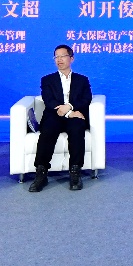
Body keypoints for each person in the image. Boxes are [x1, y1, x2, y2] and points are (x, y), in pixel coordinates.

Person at [28, 44, 92, 193]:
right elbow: (49, 100)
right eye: (56, 57)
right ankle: (41, 173)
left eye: (63, 56)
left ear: (72, 59)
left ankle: (75, 172)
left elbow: (86, 99)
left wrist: (69, 107)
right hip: (54, 115)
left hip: (75, 115)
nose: (59, 59)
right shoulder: (47, 80)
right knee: (47, 132)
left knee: (77, 129)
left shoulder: (82, 80)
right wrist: (68, 113)